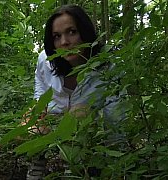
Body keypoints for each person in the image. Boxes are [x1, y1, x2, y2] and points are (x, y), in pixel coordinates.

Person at [26, 4, 124, 179]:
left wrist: (118, 159)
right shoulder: (45, 61)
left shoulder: (107, 67)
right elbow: (40, 91)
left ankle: (73, 168)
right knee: (31, 117)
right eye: (57, 36)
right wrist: (38, 109)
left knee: (80, 112)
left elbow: (114, 114)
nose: (64, 42)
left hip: (89, 130)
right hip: (54, 120)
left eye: (71, 32)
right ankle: (37, 164)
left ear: (84, 32)